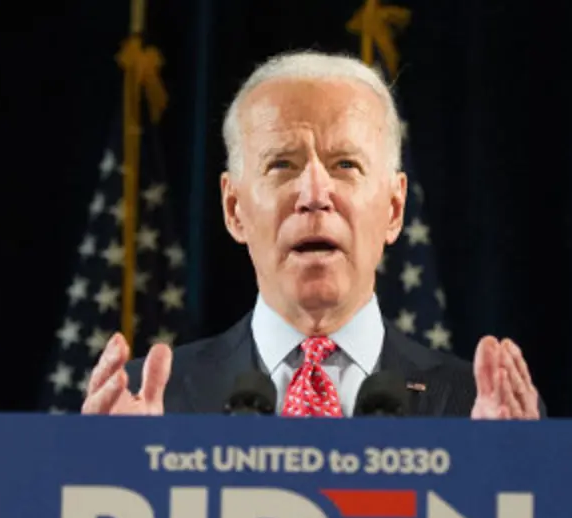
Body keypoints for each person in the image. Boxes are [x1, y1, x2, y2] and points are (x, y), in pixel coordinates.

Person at [81, 50, 543, 420]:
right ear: (234, 208)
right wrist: (115, 472)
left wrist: (501, 473)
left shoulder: (473, 410)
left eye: (346, 165)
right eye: (282, 164)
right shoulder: (150, 407)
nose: (315, 193)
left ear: (394, 209)